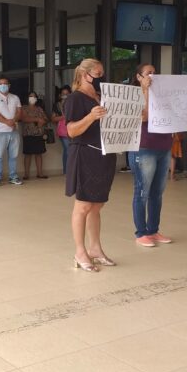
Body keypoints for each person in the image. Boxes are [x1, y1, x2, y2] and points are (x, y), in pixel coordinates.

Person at [65, 58, 116, 272]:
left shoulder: (103, 96)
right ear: (85, 75)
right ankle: (80, 251)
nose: (101, 77)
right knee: (83, 205)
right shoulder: (75, 99)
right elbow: (71, 131)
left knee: (97, 205)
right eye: (98, 73)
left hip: (104, 155)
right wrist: (90, 117)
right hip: (85, 155)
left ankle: (95, 248)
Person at [127, 63, 177, 247]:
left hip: (163, 146)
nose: (153, 76)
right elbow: (145, 116)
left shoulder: (164, 94)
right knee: (142, 191)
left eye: (155, 73)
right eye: (149, 73)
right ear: (139, 77)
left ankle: (153, 230)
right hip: (144, 147)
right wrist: (146, 90)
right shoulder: (134, 96)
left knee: (157, 193)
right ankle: (141, 233)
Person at [0, 77, 23, 186]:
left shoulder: (15, 97)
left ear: (9, 85)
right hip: (0, 131)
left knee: (13, 155)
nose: (3, 85)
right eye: (0, 84)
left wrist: (13, 121)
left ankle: (13, 176)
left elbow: (19, 111)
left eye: (5, 84)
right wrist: (6, 122)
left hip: (14, 130)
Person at [21, 91, 49, 180]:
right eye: (30, 96)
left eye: (34, 96)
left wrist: (42, 121)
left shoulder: (39, 109)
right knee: (27, 154)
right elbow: (24, 118)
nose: (32, 98)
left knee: (39, 154)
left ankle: (40, 173)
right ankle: (26, 174)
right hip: (28, 134)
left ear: (36, 99)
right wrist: (37, 119)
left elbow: (46, 119)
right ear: (27, 98)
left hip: (39, 134)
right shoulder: (24, 108)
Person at [52, 86, 71, 174]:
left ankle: (72, 170)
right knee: (68, 149)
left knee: (72, 150)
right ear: (60, 95)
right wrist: (63, 117)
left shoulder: (74, 103)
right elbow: (53, 119)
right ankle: (66, 171)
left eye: (67, 94)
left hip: (74, 129)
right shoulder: (57, 105)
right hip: (63, 131)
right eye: (63, 94)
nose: (65, 96)